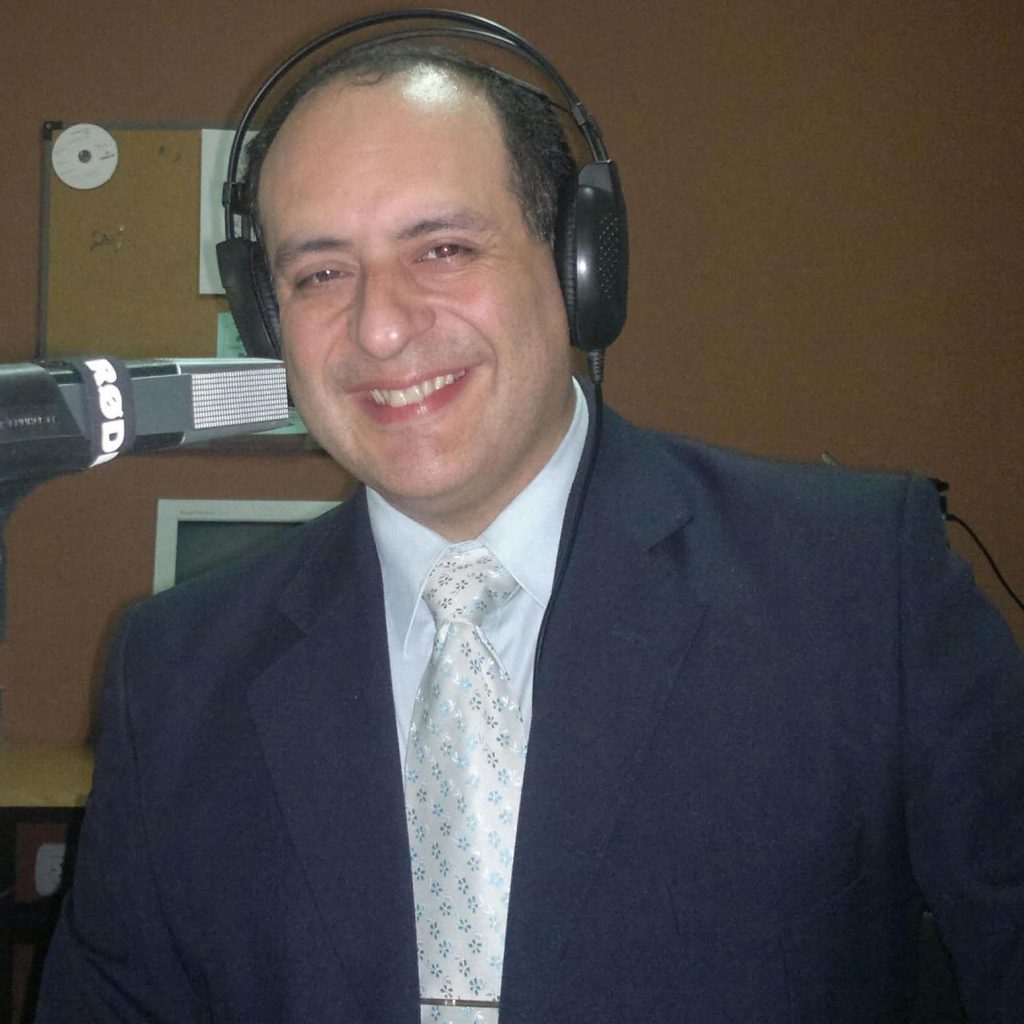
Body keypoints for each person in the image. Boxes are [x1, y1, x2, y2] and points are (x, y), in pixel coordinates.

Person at [38, 29, 1023, 1024]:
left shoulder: (857, 588)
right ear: (267, 317)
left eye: (443, 249)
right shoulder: (174, 674)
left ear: (580, 266)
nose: (380, 326)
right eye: (322, 274)